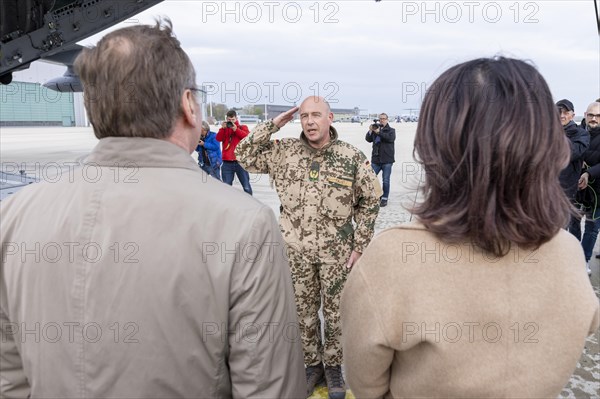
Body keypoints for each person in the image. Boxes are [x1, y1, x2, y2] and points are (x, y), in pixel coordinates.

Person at [0, 19, 305, 398]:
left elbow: (10, 381)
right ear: (188, 106)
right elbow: (267, 388)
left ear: (92, 109)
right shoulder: (246, 224)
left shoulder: (12, 217)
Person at [341, 57, 599, 398]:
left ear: (436, 143)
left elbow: (366, 383)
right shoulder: (567, 253)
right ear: (547, 145)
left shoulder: (392, 258)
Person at [235, 96, 381, 399]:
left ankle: (334, 367)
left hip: (337, 254)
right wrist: (274, 124)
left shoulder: (350, 157)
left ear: (330, 118)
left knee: (336, 313)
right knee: (302, 313)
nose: (310, 121)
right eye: (303, 116)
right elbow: (242, 154)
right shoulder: (283, 152)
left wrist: (360, 244)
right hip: (294, 252)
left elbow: (370, 200)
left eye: (316, 115)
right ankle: (311, 364)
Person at [571, 101, 600, 275]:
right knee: (573, 224)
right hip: (576, 189)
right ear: (585, 114)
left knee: (592, 227)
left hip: (598, 192)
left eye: (598, 116)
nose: (594, 118)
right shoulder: (577, 133)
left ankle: (584, 260)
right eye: (591, 115)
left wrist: (589, 173)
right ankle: (573, 258)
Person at [557, 99, 589, 202]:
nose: (562, 116)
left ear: (573, 115)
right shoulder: (545, 132)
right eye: (558, 112)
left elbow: (571, 153)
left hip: (567, 191)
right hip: (544, 188)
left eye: (566, 113)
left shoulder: (582, 134)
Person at [216, 110, 253, 194]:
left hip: (240, 162)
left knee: (246, 187)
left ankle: (250, 204)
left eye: (233, 119)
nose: (231, 122)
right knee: (226, 188)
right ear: (226, 119)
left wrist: (236, 129)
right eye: (229, 120)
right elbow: (218, 139)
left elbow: (248, 138)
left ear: (236, 118)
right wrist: (222, 129)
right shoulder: (224, 129)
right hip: (227, 163)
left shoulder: (242, 127)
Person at [365, 113, 396, 207]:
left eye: (383, 119)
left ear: (387, 119)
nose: (381, 120)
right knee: (370, 179)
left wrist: (379, 132)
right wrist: (370, 131)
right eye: (380, 119)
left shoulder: (391, 130)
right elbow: (368, 139)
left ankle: (384, 198)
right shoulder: (375, 129)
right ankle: (375, 196)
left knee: (385, 180)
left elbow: (390, 139)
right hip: (376, 159)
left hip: (387, 159)